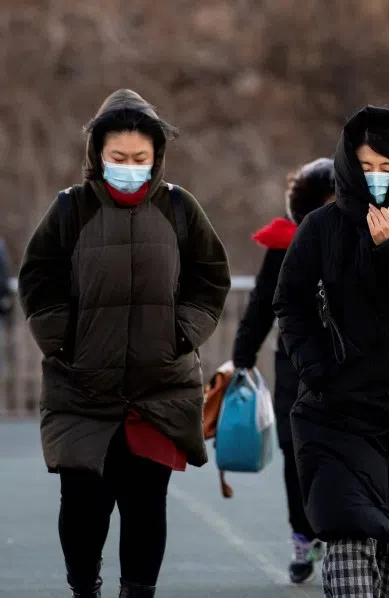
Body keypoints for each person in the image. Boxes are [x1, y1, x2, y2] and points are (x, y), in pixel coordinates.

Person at [17, 89, 231, 598]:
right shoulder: (71, 210)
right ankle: (83, 588)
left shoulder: (180, 208)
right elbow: (38, 278)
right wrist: (63, 341)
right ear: (98, 156)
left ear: (157, 156)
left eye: (140, 158)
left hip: (159, 389)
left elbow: (211, 277)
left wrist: (184, 332)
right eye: (118, 158)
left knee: (145, 506)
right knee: (83, 505)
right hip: (82, 388)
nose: (130, 167)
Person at [273, 105, 389, 597]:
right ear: (347, 168)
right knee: (348, 532)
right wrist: (315, 367)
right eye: (365, 167)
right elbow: (290, 303)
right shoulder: (320, 227)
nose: (375, 178)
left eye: (387, 167)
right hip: (338, 413)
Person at [231, 157, 335, 583]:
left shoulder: (368, 240)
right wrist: (242, 355)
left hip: (351, 369)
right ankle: (302, 535)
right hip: (295, 367)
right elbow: (260, 306)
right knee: (295, 456)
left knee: (341, 456)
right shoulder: (285, 245)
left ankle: (341, 534)